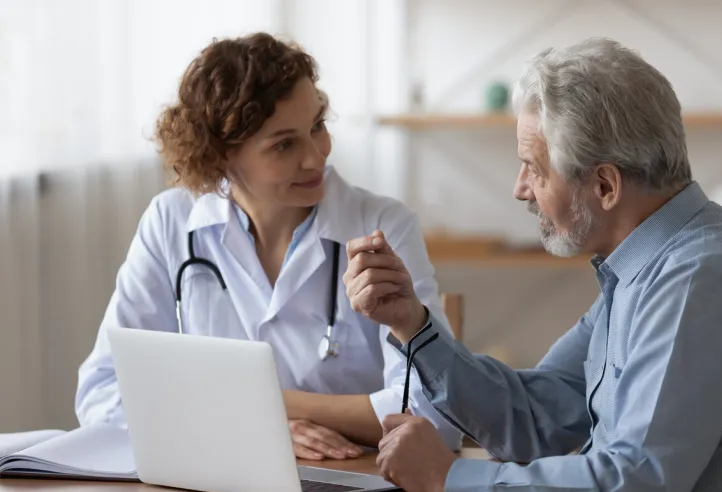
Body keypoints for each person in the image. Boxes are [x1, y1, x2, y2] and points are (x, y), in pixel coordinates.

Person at [343, 37, 722, 492]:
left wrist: (450, 478)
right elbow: (540, 415)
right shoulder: (643, 270)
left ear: (605, 185)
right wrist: (412, 324)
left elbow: (633, 488)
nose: (520, 189)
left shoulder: (699, 279)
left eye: (534, 169)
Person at [74, 32, 462, 460]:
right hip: (215, 483)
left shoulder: (382, 226)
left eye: (317, 126)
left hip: (355, 485)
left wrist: (271, 406)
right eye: (284, 144)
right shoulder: (170, 223)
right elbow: (103, 393)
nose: (316, 156)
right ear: (220, 155)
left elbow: (437, 418)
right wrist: (245, 428)